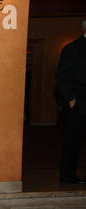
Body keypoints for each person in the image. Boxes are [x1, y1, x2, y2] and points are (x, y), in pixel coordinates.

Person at [56, 19, 86, 184]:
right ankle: (68, 175)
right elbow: (62, 75)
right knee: (73, 141)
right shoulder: (72, 48)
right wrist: (71, 99)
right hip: (79, 104)